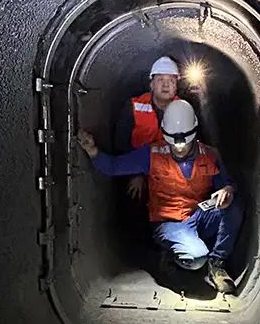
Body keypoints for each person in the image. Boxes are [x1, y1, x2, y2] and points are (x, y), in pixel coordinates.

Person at [78, 100, 243, 293]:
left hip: (198, 215)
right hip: (168, 223)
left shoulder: (209, 155)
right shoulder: (152, 153)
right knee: (197, 258)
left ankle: (217, 264)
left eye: (184, 143)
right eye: (174, 142)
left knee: (234, 204)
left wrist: (227, 190)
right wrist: (92, 150)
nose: (179, 147)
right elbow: (114, 167)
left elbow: (227, 184)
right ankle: (169, 256)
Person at [114, 56, 181, 201]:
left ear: (176, 86)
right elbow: (121, 144)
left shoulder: (184, 109)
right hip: (135, 168)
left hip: (168, 171)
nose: (166, 85)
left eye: (171, 81)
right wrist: (136, 174)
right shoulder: (133, 106)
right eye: (160, 80)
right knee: (133, 195)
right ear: (151, 84)